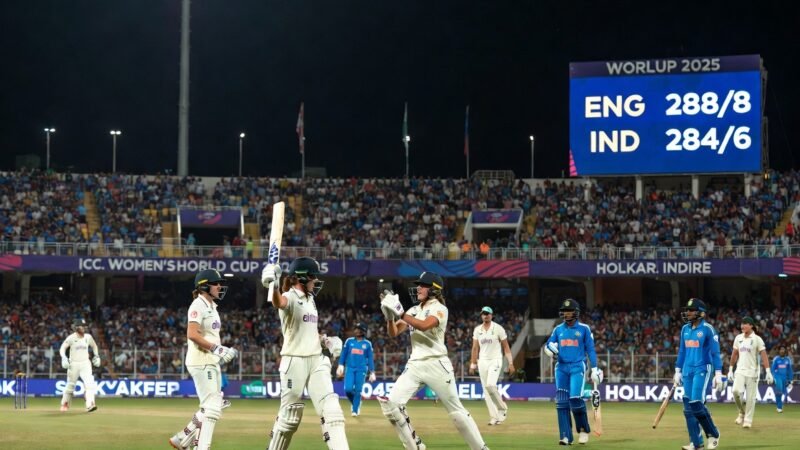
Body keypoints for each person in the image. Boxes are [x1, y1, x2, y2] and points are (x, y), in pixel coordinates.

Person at [379, 272, 490, 450]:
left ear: (434, 290)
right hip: (415, 365)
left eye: (423, 285)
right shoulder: (413, 310)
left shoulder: (440, 309)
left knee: (457, 413)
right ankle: (415, 446)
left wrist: (399, 310)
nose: (418, 288)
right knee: (391, 405)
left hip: (437, 364)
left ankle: (481, 448)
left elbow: (424, 326)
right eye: (418, 285)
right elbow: (394, 332)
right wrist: (390, 317)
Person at [261, 256, 350, 450]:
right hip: (295, 361)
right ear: (302, 277)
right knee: (289, 418)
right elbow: (279, 302)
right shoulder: (290, 296)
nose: (316, 280)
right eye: (313, 276)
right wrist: (273, 285)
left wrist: (325, 340)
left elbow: (309, 331)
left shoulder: (311, 300)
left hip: (316, 359)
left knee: (332, 410)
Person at [169, 269, 238, 450]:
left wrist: (219, 351)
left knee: (214, 405)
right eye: (216, 283)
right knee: (211, 409)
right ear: (205, 286)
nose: (220, 286)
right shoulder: (197, 305)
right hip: (201, 361)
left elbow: (209, 335)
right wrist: (217, 348)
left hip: (210, 360)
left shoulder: (211, 306)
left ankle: (181, 438)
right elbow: (192, 334)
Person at [543, 298, 602, 445]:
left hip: (577, 366)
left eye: (569, 312)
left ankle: (583, 430)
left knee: (575, 398)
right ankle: (565, 436)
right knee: (562, 402)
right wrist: (549, 348)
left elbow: (590, 350)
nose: (566, 314)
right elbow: (549, 344)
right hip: (561, 368)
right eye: (564, 312)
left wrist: (595, 369)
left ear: (576, 313)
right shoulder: (558, 329)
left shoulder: (584, 329)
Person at [673, 298, 722, 450]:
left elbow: (715, 353)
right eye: (687, 310)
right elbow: (682, 351)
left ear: (701, 313)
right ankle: (696, 443)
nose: (688, 312)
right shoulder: (685, 329)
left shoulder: (707, 329)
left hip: (702, 369)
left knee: (696, 404)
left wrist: (718, 373)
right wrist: (677, 371)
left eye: (691, 310)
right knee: (688, 408)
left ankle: (713, 434)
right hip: (687, 370)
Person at [469, 306, 515, 425]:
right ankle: (494, 417)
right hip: (482, 361)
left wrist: (510, 363)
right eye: (484, 313)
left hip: (495, 360)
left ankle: (502, 408)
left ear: (492, 315)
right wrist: (473, 364)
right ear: (481, 316)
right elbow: (475, 348)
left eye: (488, 313)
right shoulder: (477, 330)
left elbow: (506, 347)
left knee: (490, 385)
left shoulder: (498, 329)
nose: (486, 315)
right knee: (486, 391)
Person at [727, 316, 773, 428]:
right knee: (736, 391)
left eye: (745, 324)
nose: (742, 326)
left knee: (750, 398)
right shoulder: (738, 338)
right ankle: (741, 412)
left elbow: (764, 356)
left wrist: (768, 371)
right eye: (741, 324)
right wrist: (730, 369)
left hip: (753, 372)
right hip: (740, 370)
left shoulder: (757, 339)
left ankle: (748, 420)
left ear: (751, 325)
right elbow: (734, 354)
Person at [59, 318, 101, 412]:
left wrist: (97, 356)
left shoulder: (88, 337)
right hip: (73, 364)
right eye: (82, 326)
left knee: (90, 384)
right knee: (70, 386)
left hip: (85, 363)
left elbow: (94, 346)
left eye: (84, 326)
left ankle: (90, 404)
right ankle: (65, 403)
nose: (84, 328)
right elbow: (62, 348)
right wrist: (64, 358)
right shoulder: (71, 338)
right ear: (76, 327)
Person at [337, 322, 376, 416]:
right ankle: (356, 403)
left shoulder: (367, 344)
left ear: (363, 331)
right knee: (348, 390)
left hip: (361, 370)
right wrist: (340, 365)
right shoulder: (349, 341)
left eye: (359, 329)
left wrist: (372, 372)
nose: (356, 330)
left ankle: (355, 410)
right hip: (350, 368)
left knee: (358, 390)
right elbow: (343, 354)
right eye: (356, 329)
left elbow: (370, 359)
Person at [771, 345, 793, 413]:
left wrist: (790, 380)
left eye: (783, 349)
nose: (782, 351)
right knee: (779, 392)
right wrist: (774, 377)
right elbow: (773, 369)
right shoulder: (776, 359)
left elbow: (789, 370)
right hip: (778, 377)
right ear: (779, 351)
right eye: (781, 350)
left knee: (782, 392)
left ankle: (779, 406)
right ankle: (779, 407)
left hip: (785, 378)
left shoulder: (787, 359)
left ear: (785, 351)